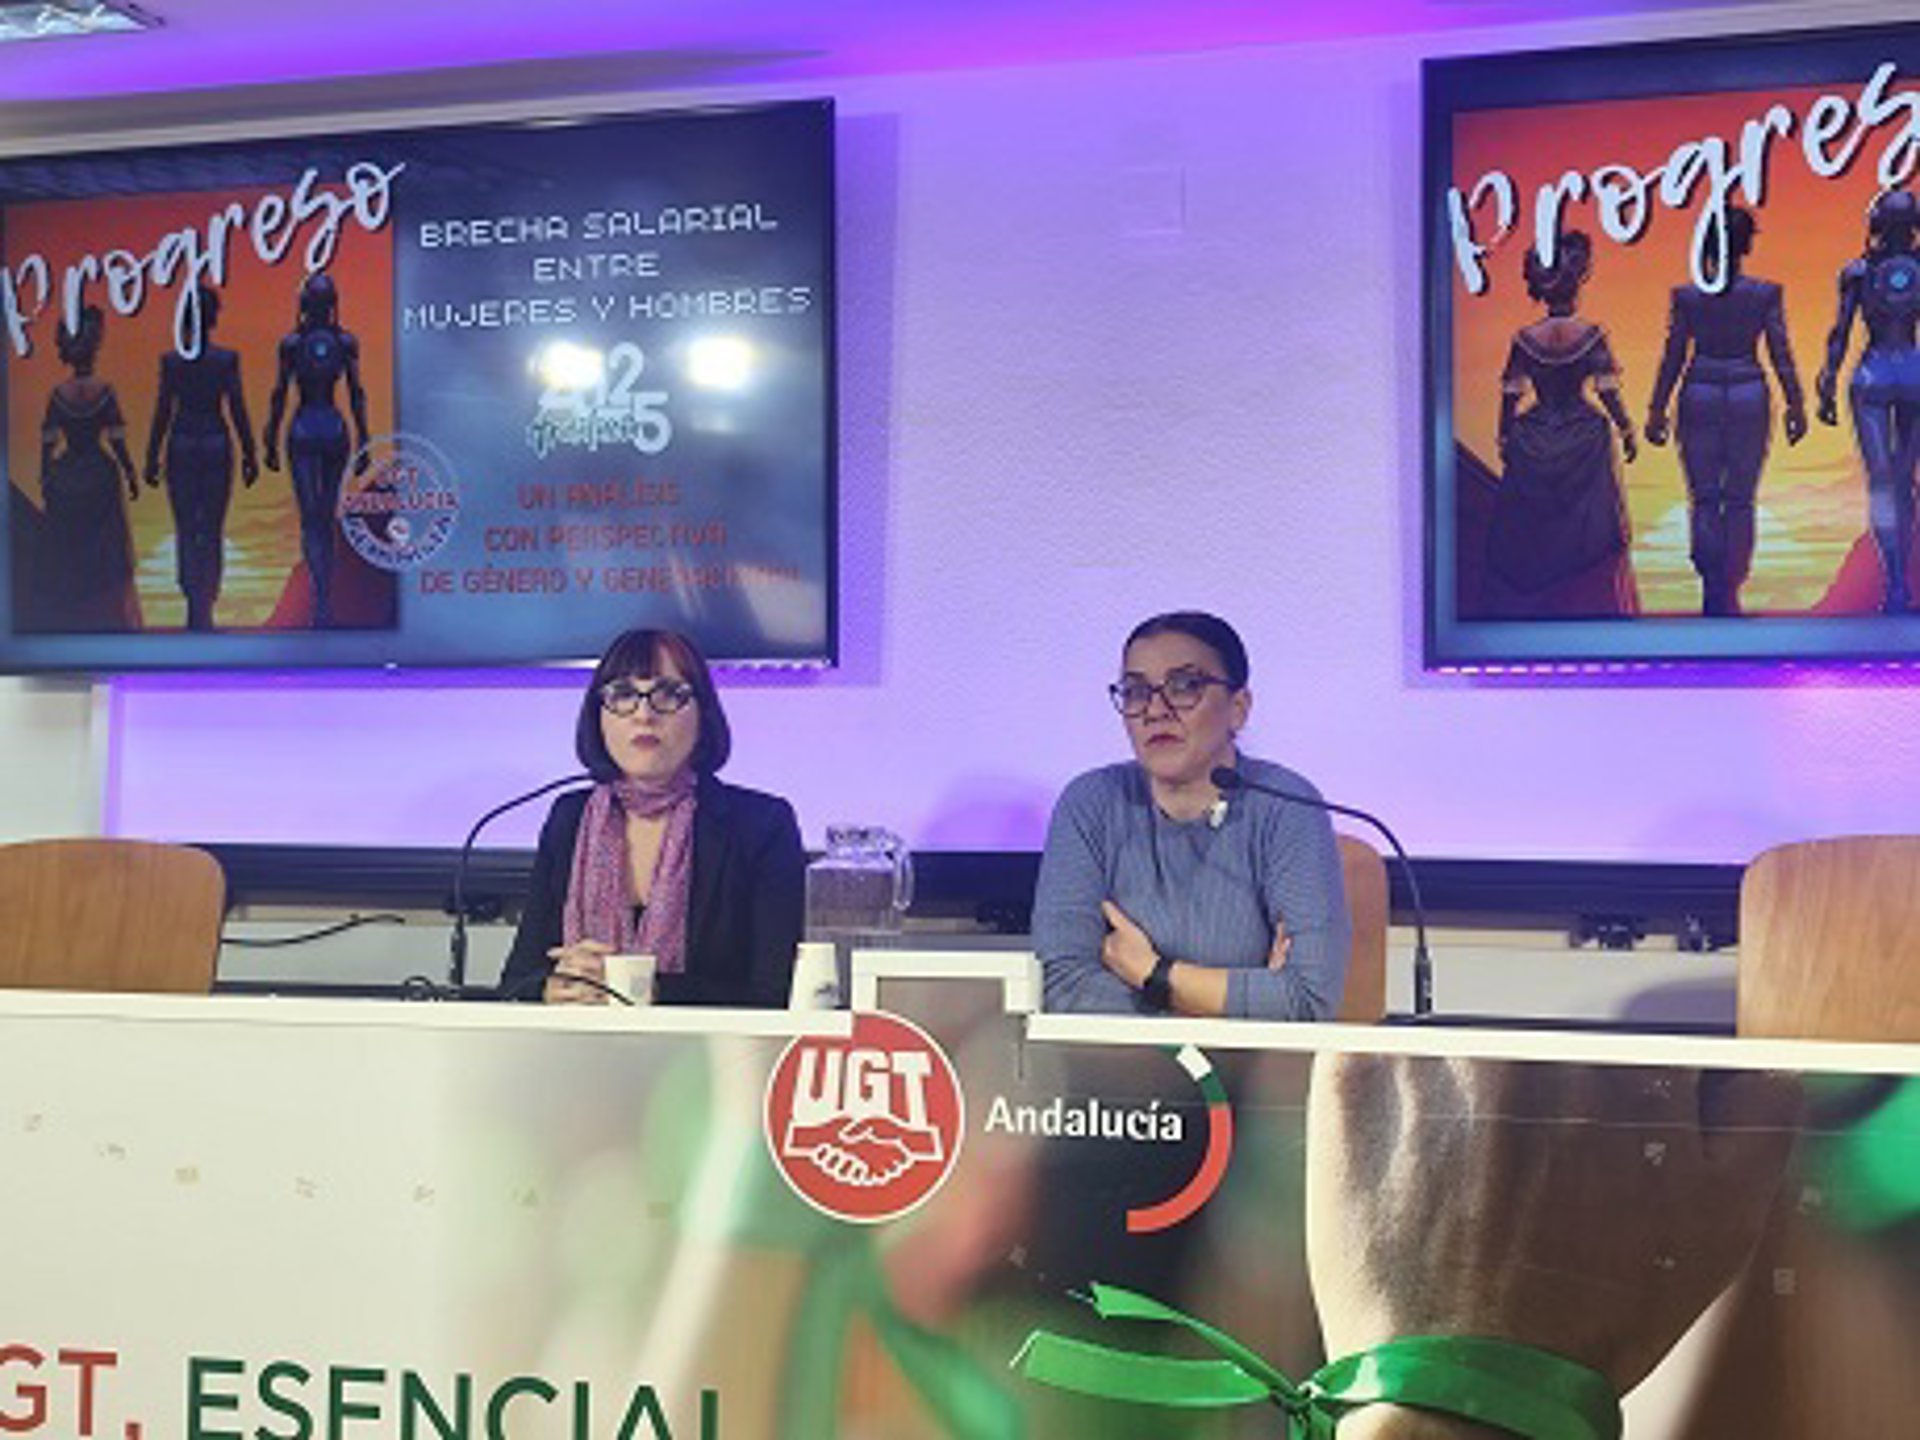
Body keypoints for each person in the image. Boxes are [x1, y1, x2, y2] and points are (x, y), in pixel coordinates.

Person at [1031, 610, 1350, 1020]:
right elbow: (1061, 989)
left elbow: (1306, 1000)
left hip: (1256, 1062)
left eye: (1184, 687)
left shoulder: (1288, 806)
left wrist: (1151, 974)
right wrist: (1229, 1003)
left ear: (1238, 708)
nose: (1155, 710)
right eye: (1136, 691)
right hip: (1121, 1059)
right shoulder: (1091, 804)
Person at [498, 627, 805, 1007]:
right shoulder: (570, 817)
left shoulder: (761, 825)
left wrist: (644, 988)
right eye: (623, 694)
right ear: (598, 716)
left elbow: (775, 994)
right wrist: (551, 988)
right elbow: (517, 981)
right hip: (575, 1041)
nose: (644, 714)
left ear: (703, 714)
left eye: (669, 694)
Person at [1646, 205, 1807, 617]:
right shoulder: (1764, 294)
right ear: (1745, 244)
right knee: (1740, 499)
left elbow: (1673, 355)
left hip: (1699, 390)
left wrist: (1657, 408)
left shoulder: (1687, 297)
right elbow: (1780, 351)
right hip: (1748, 390)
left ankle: (1712, 587)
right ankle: (1730, 587)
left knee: (1703, 498)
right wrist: (1795, 402)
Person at [1483, 230, 1640, 618]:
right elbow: (1607, 391)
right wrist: (1626, 428)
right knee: (1585, 523)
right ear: (1577, 283)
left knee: (1536, 521)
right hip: (1582, 433)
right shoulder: (1592, 336)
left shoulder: (1524, 339)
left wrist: (1504, 435)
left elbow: (1510, 394)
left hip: (1534, 434)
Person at [1816, 187, 1920, 615]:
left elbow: (1840, 333)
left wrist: (1827, 379)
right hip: (1909, 372)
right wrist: (1827, 379)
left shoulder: (1858, 272)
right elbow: (1839, 332)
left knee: (1884, 481)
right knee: (1901, 481)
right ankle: (1897, 580)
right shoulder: (1864, 272)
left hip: (1876, 374)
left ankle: (1896, 579)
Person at [145, 285, 259, 631]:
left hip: (182, 442)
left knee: (186, 527)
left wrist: (151, 455)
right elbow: (237, 407)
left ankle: (194, 604)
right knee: (211, 527)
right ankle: (204, 603)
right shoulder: (225, 360)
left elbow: (163, 410)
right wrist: (250, 451)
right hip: (214, 442)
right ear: (212, 318)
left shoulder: (173, 362)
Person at [262, 271, 370, 628]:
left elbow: (280, 394)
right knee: (322, 517)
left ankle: (321, 600)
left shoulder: (293, 343)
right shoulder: (343, 341)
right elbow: (356, 394)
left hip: (307, 428)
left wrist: (270, 436)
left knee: (314, 519)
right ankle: (321, 600)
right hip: (331, 427)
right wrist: (364, 438)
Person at [35, 304, 142, 633]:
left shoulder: (58, 394)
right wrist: (129, 472)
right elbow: (117, 440)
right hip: (98, 473)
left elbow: (48, 441)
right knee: (104, 549)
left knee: (71, 547)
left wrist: (45, 473)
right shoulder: (104, 392)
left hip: (67, 476)